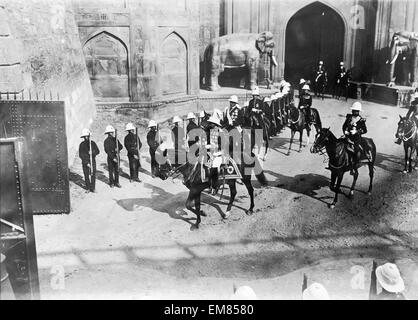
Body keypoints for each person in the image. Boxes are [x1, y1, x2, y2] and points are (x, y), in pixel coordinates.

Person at [342, 102, 368, 175]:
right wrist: (345, 132)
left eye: (356, 111)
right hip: (348, 137)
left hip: (356, 138)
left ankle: (354, 167)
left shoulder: (361, 120)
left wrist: (357, 131)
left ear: (359, 111)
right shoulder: (349, 118)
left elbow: (365, 130)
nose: (355, 112)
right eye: (354, 110)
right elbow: (344, 126)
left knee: (356, 150)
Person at [78, 128, 100, 193]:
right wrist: (86, 163)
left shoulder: (92, 143)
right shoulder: (81, 145)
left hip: (92, 161)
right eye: (85, 136)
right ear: (83, 137)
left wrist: (92, 152)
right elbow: (81, 155)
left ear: (89, 136)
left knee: (93, 175)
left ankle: (93, 188)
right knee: (86, 175)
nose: (86, 137)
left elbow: (98, 151)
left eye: (87, 136)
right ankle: (88, 188)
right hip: (85, 162)